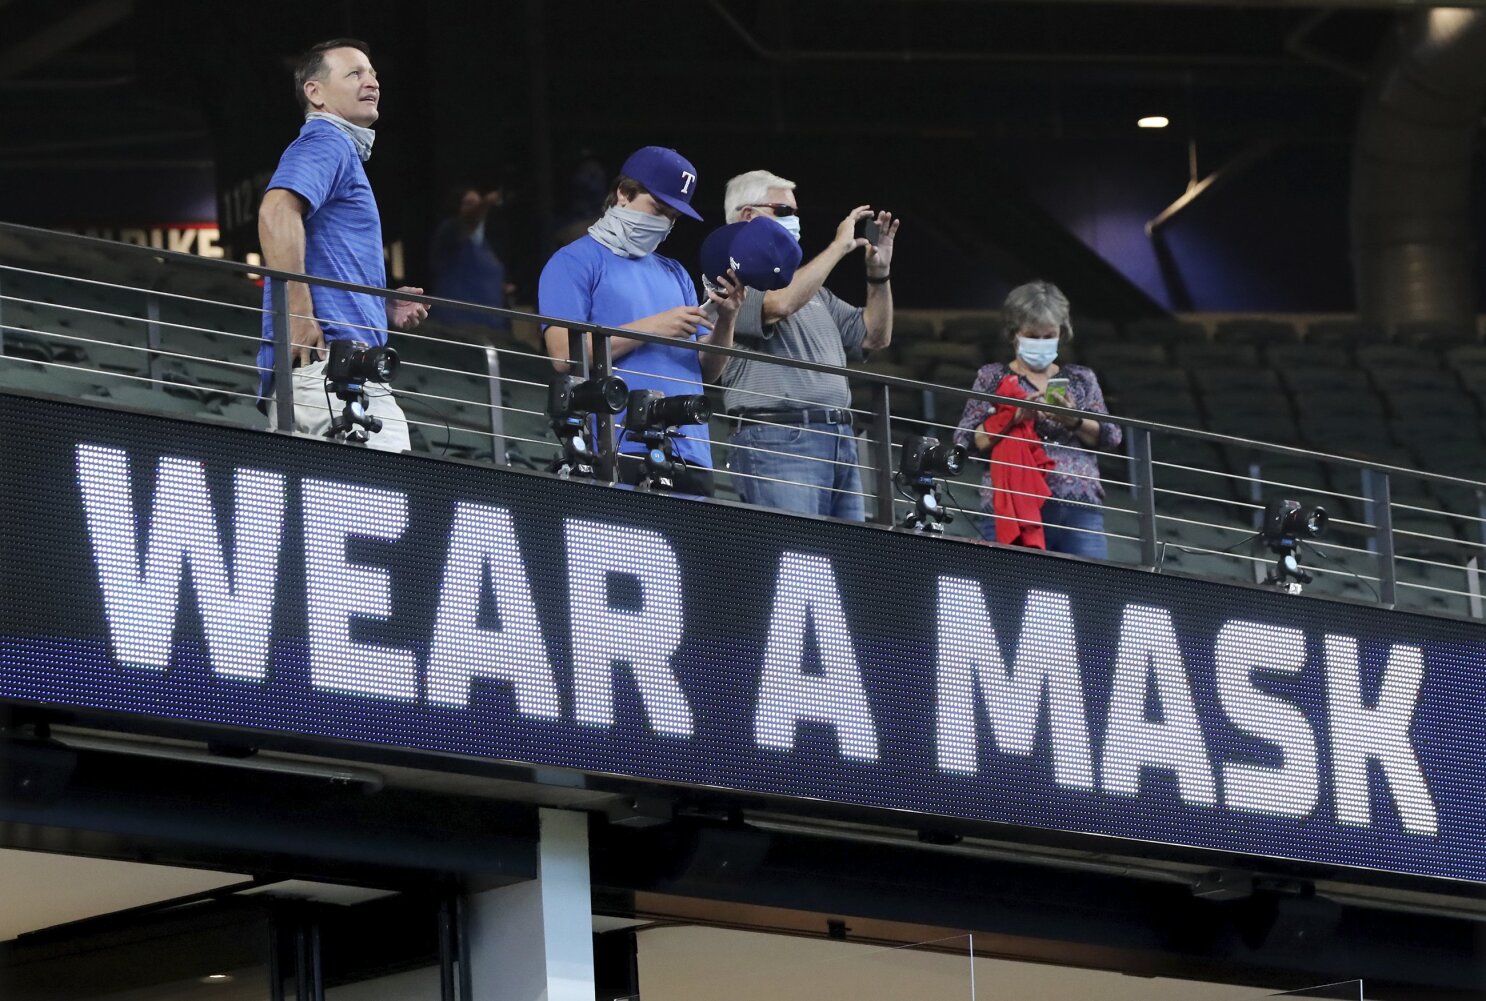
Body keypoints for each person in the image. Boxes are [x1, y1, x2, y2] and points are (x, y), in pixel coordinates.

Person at [538, 146, 743, 496]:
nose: (664, 222)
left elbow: (705, 371)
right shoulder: (574, 261)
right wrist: (653, 328)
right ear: (623, 193)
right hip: (620, 445)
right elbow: (562, 355)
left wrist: (727, 319)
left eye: (673, 217)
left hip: (691, 449)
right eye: (657, 209)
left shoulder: (675, 272)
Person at [256, 38, 429, 452]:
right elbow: (275, 212)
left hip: (328, 374)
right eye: (354, 74)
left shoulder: (338, 150)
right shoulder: (326, 141)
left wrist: (377, 304)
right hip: (333, 374)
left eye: (373, 73)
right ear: (314, 92)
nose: (371, 82)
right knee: (383, 509)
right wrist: (295, 309)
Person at [716, 169, 897, 521]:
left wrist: (879, 274)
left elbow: (874, 337)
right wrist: (838, 247)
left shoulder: (816, 293)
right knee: (794, 556)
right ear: (748, 216)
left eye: (796, 213)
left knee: (846, 563)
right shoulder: (729, 280)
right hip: (779, 439)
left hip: (840, 438)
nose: (795, 221)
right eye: (784, 212)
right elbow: (779, 306)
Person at [954, 281, 1121, 559]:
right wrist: (1011, 417)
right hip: (1011, 506)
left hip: (1078, 508)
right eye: (1033, 335)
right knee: (1010, 591)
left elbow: (1111, 436)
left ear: (1061, 333)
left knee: (1090, 593)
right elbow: (967, 440)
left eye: (1049, 336)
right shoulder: (991, 377)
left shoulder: (1081, 378)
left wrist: (1073, 420)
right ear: (1014, 333)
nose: (1041, 343)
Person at [430, 185, 513, 334]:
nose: (476, 209)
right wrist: (486, 202)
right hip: (455, 328)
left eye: (478, 204)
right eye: (469, 204)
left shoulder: (488, 243)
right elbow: (469, 220)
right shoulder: (450, 231)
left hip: (492, 329)